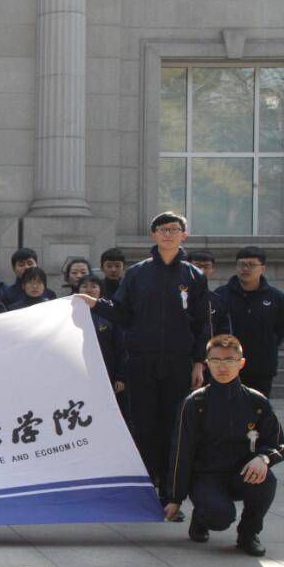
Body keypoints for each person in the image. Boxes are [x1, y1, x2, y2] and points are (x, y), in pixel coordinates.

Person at [82, 211, 211, 516]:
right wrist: (95, 304)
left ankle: (171, 495)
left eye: (174, 229)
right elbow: (123, 313)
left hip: (178, 363)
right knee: (143, 427)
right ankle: (144, 490)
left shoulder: (194, 276)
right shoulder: (138, 274)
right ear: (153, 235)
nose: (168, 234)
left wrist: (198, 362)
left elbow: (203, 322)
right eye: (162, 229)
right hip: (142, 362)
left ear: (184, 235)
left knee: (173, 427)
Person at [164, 335, 284, 557]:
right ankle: (201, 518)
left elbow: (277, 443)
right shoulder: (195, 404)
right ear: (207, 363)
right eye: (216, 360)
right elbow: (181, 451)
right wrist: (175, 498)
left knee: (266, 479)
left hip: (241, 474)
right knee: (220, 518)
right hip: (205, 477)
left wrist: (263, 458)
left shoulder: (256, 402)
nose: (222, 367)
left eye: (229, 360)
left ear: (241, 363)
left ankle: (248, 534)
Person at [214, 247, 284, 397]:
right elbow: (213, 328)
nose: (245, 269)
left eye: (251, 265)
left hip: (262, 367)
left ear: (263, 268)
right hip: (227, 365)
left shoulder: (276, 297)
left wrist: (266, 345)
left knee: (258, 407)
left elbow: (282, 329)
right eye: (242, 264)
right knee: (226, 407)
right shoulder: (221, 295)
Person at [79, 274, 127, 403]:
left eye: (93, 286)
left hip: (107, 370)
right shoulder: (69, 313)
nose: (89, 290)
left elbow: (120, 347)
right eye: (84, 286)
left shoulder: (110, 313)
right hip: (80, 370)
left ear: (101, 289)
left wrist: (120, 376)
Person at [189, 250, 230, 336]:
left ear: (212, 270)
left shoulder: (218, 301)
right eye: (197, 266)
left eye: (206, 266)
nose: (201, 270)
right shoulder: (176, 297)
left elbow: (224, 332)